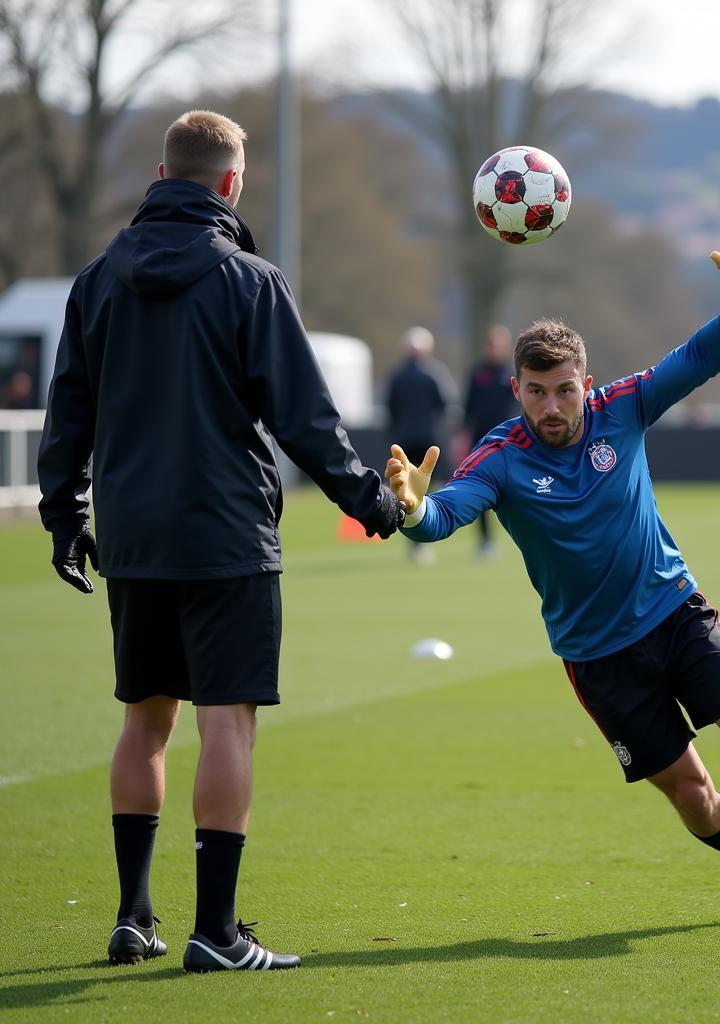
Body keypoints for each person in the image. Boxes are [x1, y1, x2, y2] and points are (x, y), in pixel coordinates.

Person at [387, 216, 720, 924]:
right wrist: (413, 511)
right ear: (517, 389)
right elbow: (450, 513)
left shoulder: (620, 409)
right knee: (694, 800)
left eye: (564, 389)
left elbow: (699, 359)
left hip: (674, 612)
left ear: (584, 382)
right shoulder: (501, 458)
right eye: (537, 392)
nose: (552, 406)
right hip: (598, 658)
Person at [37, 110, 405, 974]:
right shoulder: (252, 281)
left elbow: (68, 412)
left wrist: (63, 515)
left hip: (130, 537)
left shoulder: (95, 281)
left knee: (145, 720)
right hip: (227, 536)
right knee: (227, 723)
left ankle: (133, 918)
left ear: (162, 175)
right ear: (232, 185)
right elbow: (306, 420)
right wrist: (372, 502)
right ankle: (218, 933)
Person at [384, 325, 458, 564]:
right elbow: (446, 404)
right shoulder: (435, 372)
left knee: (406, 490)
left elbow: (390, 407)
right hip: (429, 441)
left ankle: (415, 541)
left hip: (404, 440)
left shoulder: (396, 375)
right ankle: (426, 534)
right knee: (425, 488)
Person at [461, 323, 517, 557]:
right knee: (480, 491)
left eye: (499, 345)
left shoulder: (512, 375)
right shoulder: (477, 373)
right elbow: (468, 409)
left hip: (509, 442)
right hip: (481, 443)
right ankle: (485, 541)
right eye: (491, 344)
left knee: (514, 491)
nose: (495, 349)